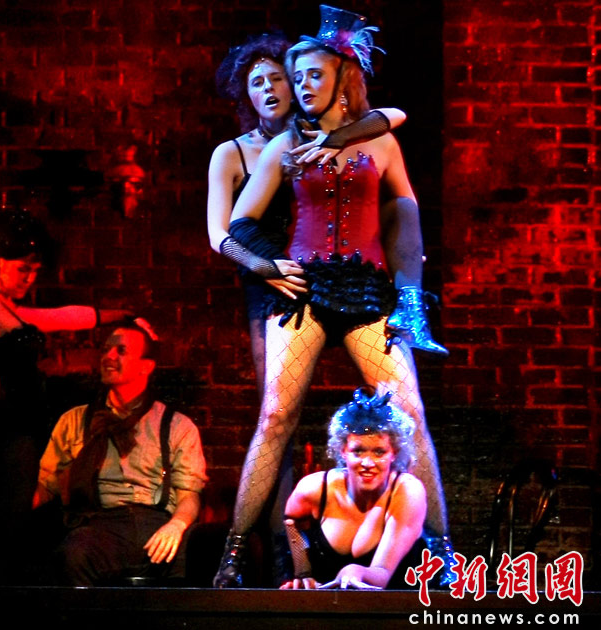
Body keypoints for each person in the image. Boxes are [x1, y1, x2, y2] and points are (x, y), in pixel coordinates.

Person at [213, 6, 452, 588]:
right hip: (306, 292)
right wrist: (266, 265)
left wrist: (409, 294)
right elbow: (238, 225)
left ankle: (443, 556)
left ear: (343, 77)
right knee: (275, 417)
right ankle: (233, 557)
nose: (301, 86)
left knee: (412, 414)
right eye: (296, 77)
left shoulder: (381, 141)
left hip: (368, 291)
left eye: (313, 75)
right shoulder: (285, 146)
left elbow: (406, 215)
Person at [0, 209, 130, 582]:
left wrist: (120, 315)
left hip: (19, 428)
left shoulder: (6, 308)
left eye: (35, 271)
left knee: (11, 521)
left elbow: (59, 317)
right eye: (23, 269)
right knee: (5, 522)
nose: (30, 278)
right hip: (6, 431)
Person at [32, 321, 207, 586]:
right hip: (102, 525)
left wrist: (177, 525)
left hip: (157, 522)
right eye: (105, 350)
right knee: (73, 553)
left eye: (121, 351)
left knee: (197, 555)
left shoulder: (176, 425)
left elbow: (189, 494)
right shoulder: (75, 421)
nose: (109, 356)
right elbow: (46, 483)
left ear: (146, 366)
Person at [283, 386, 426, 590]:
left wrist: (354, 571)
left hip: (400, 605)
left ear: (394, 452)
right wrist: (302, 572)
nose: (367, 463)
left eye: (379, 452)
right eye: (358, 451)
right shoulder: (315, 489)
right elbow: (290, 522)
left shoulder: (406, 491)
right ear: (343, 451)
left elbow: (382, 574)